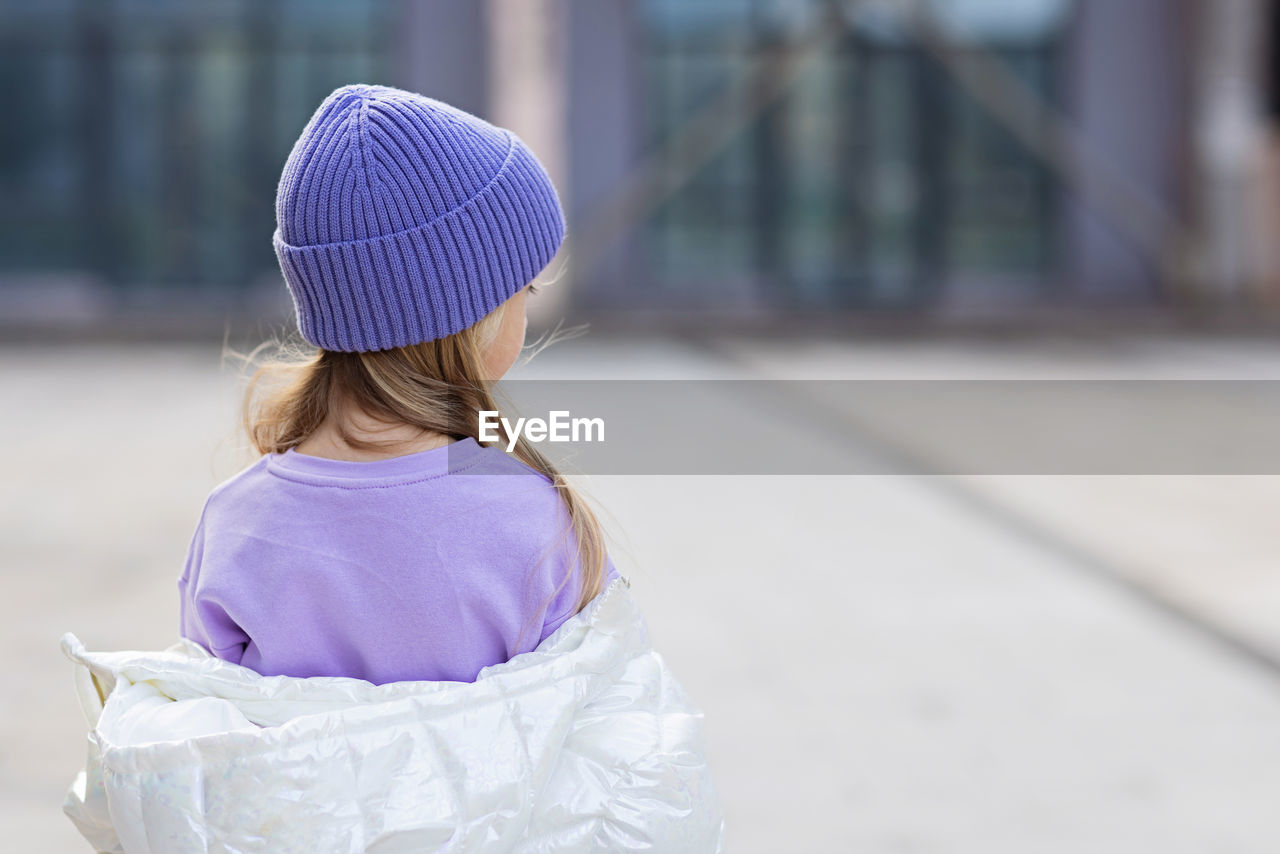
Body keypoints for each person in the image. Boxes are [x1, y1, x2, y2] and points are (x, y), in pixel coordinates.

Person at [178, 83, 620, 685]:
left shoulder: (235, 521)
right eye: (526, 289)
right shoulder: (532, 521)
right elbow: (593, 715)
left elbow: (208, 717)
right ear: (474, 318)